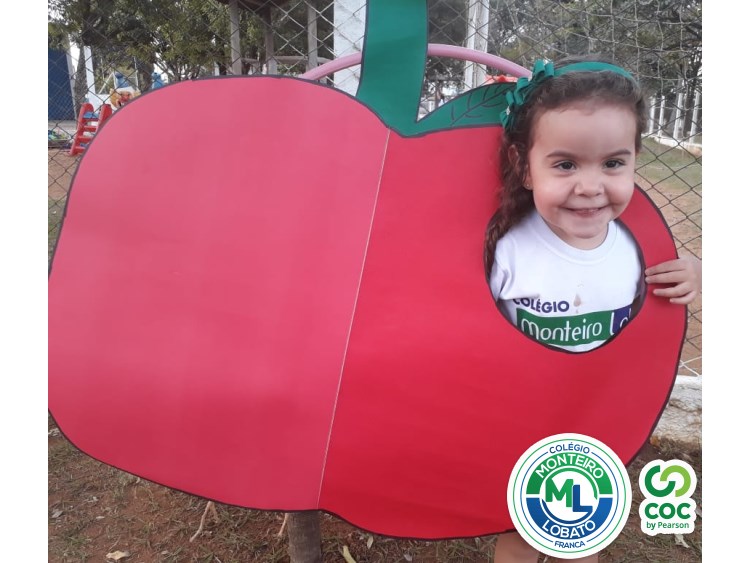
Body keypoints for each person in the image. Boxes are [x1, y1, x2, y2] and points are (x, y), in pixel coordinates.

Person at [484, 58, 701, 560]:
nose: (590, 186)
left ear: (635, 160)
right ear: (525, 166)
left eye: (613, 164)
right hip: (521, 419)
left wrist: (694, 271)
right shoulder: (508, 252)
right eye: (565, 165)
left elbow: (663, 308)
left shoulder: (640, 251)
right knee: (518, 527)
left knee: (583, 529)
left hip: (596, 418)